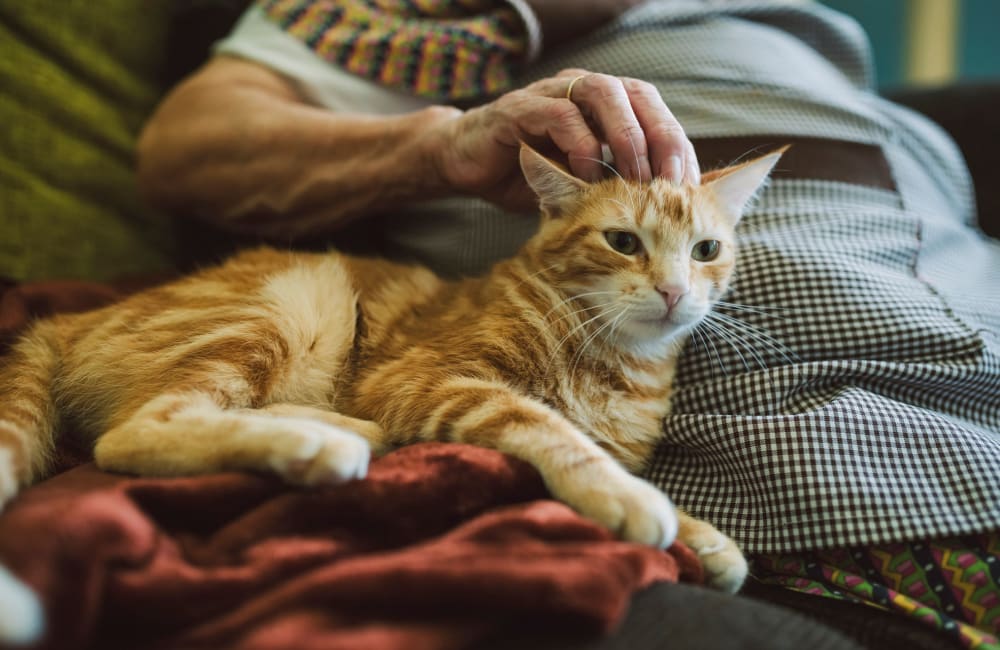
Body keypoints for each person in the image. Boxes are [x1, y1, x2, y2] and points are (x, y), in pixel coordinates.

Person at [138, 1, 1000, 648]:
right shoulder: (431, 14)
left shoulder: (814, 29)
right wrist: (441, 148)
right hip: (785, 427)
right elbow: (185, 144)